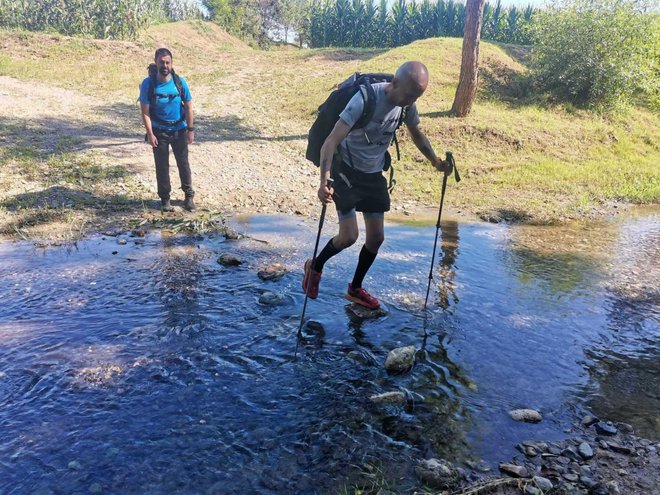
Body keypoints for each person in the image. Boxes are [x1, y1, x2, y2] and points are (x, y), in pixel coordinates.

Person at [302, 61, 451, 310]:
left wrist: (435, 161)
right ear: (394, 83)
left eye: (416, 96)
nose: (410, 101)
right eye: (408, 95)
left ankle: (355, 288)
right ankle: (314, 267)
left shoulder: (407, 105)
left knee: (376, 238)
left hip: (372, 173)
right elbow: (330, 142)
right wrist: (323, 181)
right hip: (346, 170)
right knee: (349, 236)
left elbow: (417, 134)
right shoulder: (364, 99)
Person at [139, 48, 196, 212]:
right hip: (159, 131)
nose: (165, 65)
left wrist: (190, 130)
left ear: (171, 63)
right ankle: (165, 199)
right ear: (156, 63)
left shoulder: (179, 82)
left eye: (167, 62)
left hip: (180, 130)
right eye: (161, 62)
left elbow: (189, 106)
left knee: (183, 164)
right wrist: (150, 134)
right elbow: (145, 112)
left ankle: (189, 196)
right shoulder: (148, 84)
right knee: (162, 166)